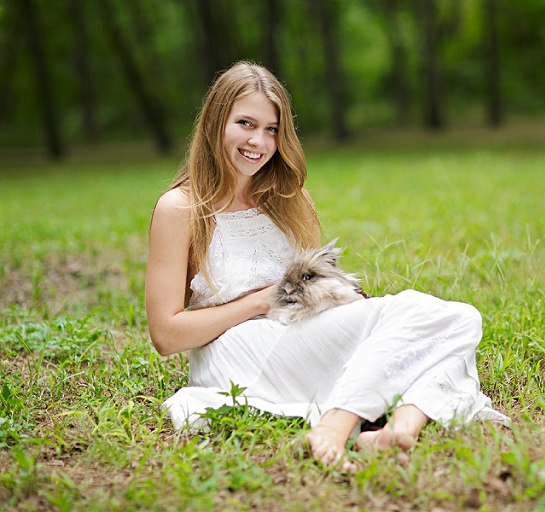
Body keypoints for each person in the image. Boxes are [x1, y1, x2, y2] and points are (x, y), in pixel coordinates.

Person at [146, 61, 509, 469]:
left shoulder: (288, 199)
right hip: (236, 352)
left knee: (453, 325)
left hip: (299, 334)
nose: (259, 141)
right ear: (216, 122)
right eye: (245, 123)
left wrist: (341, 297)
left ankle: (399, 429)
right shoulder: (180, 208)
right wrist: (259, 302)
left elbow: (314, 282)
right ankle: (337, 426)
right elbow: (166, 335)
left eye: (271, 129)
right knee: (443, 323)